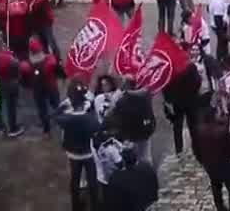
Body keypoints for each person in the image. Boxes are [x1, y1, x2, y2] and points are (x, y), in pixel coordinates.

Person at [55, 83, 103, 211]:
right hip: (88, 153)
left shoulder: (66, 119)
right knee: (92, 181)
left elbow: (56, 116)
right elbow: (98, 126)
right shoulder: (89, 119)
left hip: (73, 154)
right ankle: (95, 206)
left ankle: (75, 206)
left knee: (75, 181)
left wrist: (64, 106)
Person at [194, 111, 230, 211]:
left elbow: (196, 150)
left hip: (210, 166)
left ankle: (220, 207)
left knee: (216, 186)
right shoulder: (222, 131)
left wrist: (203, 162)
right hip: (226, 166)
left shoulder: (199, 131)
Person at [106, 146, 159, 211]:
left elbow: (113, 202)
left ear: (123, 161)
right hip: (148, 206)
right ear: (136, 158)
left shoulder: (116, 178)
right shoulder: (148, 168)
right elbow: (155, 190)